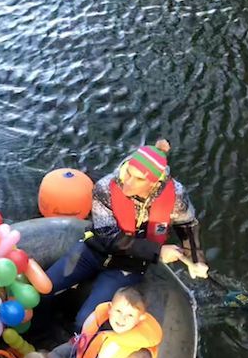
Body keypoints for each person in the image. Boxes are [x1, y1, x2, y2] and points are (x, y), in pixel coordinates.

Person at [45, 139, 209, 330]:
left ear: (155, 182)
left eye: (139, 179)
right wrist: (157, 251)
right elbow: (108, 237)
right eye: (129, 173)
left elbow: (187, 225)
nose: (127, 184)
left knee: (86, 323)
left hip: (128, 265)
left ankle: (75, 349)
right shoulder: (105, 187)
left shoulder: (176, 196)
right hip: (93, 250)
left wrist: (196, 258)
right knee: (44, 288)